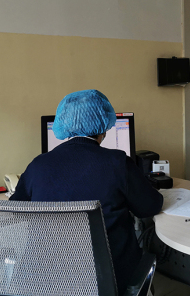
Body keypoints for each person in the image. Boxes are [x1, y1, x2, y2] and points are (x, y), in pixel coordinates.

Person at [11, 89, 163, 295]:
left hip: (44, 281)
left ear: (63, 124)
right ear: (104, 127)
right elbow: (149, 207)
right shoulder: (118, 162)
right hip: (107, 281)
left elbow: (16, 208)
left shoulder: (38, 165)